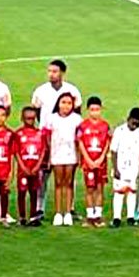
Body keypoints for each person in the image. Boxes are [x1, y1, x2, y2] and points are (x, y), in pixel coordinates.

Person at [42, 91, 83, 227]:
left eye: (69, 103)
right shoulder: (52, 118)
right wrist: (48, 154)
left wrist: (78, 155)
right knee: (58, 183)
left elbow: (79, 139)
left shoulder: (77, 119)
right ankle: (58, 212)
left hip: (70, 154)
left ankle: (67, 212)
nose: (66, 106)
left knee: (69, 183)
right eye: (63, 102)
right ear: (58, 104)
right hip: (56, 154)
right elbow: (47, 137)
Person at [75, 97, 111, 227]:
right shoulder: (83, 126)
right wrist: (88, 159)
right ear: (87, 110)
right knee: (89, 188)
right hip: (88, 162)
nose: (95, 112)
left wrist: (101, 158)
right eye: (92, 110)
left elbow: (107, 142)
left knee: (100, 188)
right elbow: (80, 143)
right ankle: (90, 216)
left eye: (97, 109)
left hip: (101, 162)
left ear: (101, 110)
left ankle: (98, 216)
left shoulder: (105, 125)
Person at [112, 108, 139, 226]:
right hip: (120, 165)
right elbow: (114, 151)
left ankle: (130, 217)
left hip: (134, 167)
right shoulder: (119, 131)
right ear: (128, 119)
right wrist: (115, 168)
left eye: (137, 124)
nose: (134, 126)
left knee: (132, 192)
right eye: (133, 123)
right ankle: (116, 217)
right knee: (119, 192)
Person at [13, 105, 49, 226]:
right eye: (27, 118)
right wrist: (23, 167)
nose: (30, 121)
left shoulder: (39, 134)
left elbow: (43, 151)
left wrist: (37, 166)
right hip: (23, 170)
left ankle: (33, 216)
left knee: (34, 192)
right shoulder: (18, 134)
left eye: (32, 118)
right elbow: (16, 152)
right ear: (22, 118)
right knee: (21, 193)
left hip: (35, 168)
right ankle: (22, 216)